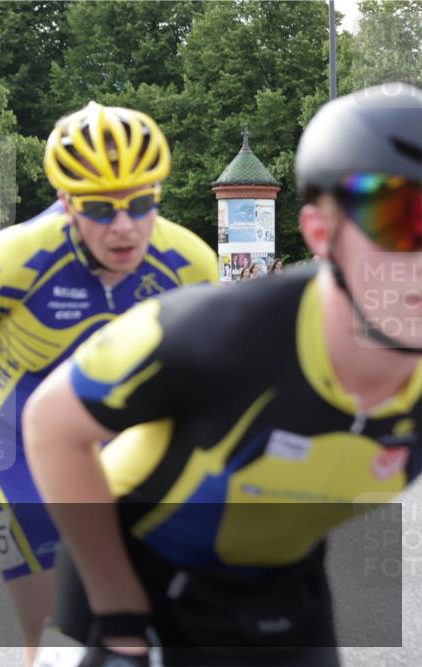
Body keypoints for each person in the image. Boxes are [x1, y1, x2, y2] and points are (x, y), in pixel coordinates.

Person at [24, 83, 421, 666]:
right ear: (320, 235)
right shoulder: (215, 333)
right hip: (139, 584)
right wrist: (118, 609)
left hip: (283, 587)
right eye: (400, 219)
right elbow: (51, 424)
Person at [0, 101, 218, 665]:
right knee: (50, 620)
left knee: (156, 598)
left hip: (121, 430)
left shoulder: (191, 263)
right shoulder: (15, 256)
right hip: (10, 442)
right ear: (68, 204)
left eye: (142, 203)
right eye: (101, 208)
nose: (124, 226)